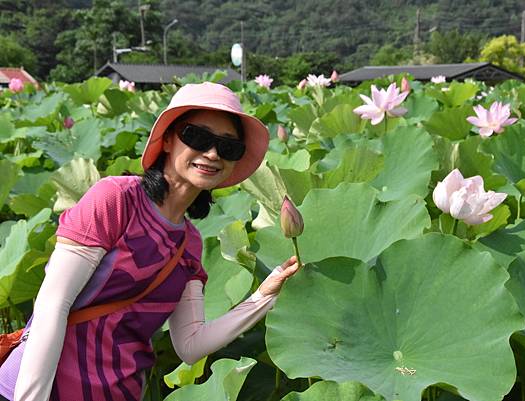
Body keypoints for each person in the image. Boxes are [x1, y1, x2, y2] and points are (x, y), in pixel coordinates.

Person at [0, 82, 300, 401]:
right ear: (168, 139)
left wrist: (263, 296)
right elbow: (52, 304)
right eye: (198, 137)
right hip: (38, 391)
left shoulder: (190, 245)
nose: (212, 153)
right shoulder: (115, 199)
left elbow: (190, 345)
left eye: (228, 148)